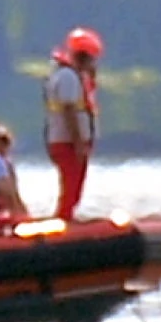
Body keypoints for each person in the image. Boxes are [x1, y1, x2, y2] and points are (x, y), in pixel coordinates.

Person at [42, 26, 102, 222]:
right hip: (67, 142)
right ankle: (64, 219)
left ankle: (66, 216)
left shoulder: (68, 75)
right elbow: (69, 111)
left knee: (73, 186)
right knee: (71, 186)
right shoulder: (68, 77)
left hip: (64, 140)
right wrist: (78, 142)